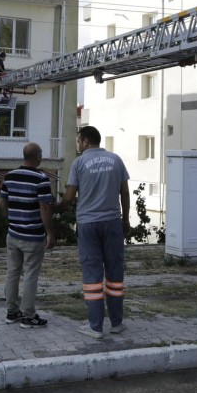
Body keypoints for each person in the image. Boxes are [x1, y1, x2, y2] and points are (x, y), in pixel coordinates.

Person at [64, 125, 130, 339]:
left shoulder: (79, 163)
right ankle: (117, 323)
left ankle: (95, 327)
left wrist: (53, 206)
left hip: (88, 224)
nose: (77, 145)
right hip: (112, 222)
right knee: (115, 274)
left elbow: (70, 196)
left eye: (77, 141)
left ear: (84, 141)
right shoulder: (116, 160)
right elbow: (125, 192)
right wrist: (126, 219)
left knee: (92, 275)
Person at [0, 142, 55, 328]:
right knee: (31, 274)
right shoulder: (41, 179)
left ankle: (11, 312)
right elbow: (45, 207)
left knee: (13, 272)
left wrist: (11, 218)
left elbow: (1, 202)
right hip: (33, 236)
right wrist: (50, 232)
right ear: (38, 156)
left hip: (13, 233)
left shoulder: (9, 176)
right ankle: (28, 315)